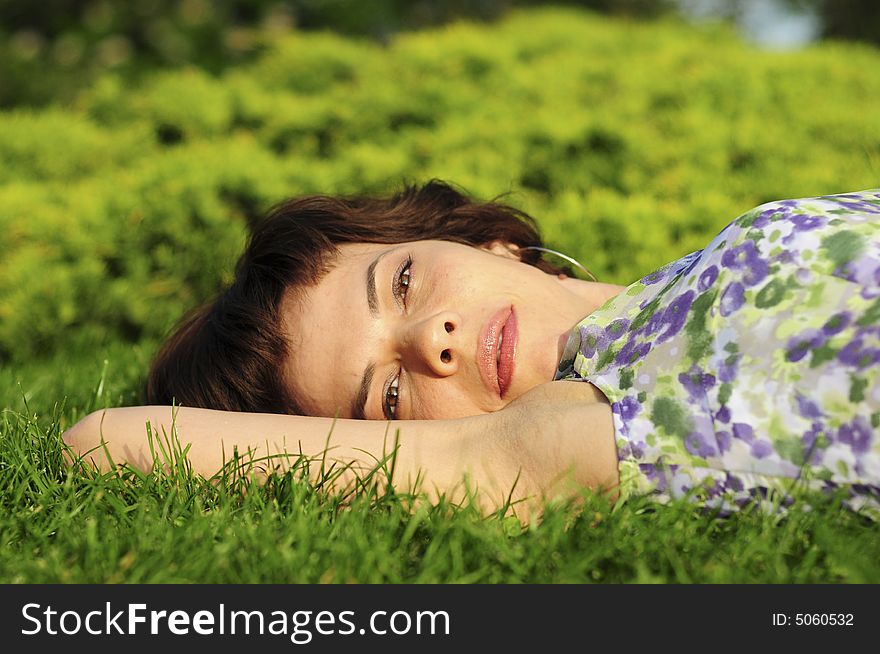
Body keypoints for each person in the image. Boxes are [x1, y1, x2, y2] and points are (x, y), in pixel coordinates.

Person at [63, 181, 880, 519]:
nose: (430, 341)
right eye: (386, 395)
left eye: (406, 283)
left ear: (491, 242)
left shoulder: (708, 258)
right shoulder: (582, 430)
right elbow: (106, 442)